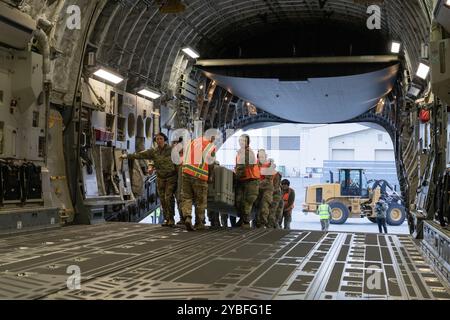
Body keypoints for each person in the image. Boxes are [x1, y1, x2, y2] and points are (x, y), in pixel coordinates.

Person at [122, 133, 177, 227]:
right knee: (162, 199)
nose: (159, 140)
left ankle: (171, 219)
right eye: (157, 139)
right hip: (160, 178)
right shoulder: (154, 151)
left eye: (161, 138)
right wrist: (126, 156)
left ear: (165, 139)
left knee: (168, 198)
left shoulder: (171, 150)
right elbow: (140, 155)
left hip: (170, 177)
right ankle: (167, 219)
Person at [181, 135, 216, 231]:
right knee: (200, 201)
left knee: (187, 197)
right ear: (212, 138)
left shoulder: (192, 142)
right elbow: (211, 163)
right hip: (199, 175)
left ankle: (187, 217)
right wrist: (211, 176)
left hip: (186, 172)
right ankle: (199, 223)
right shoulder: (210, 146)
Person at [235, 134, 260, 229]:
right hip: (243, 180)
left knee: (247, 201)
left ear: (247, 142)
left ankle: (245, 222)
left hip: (251, 180)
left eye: (243, 141)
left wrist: (236, 177)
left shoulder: (248, 153)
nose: (241, 142)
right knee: (238, 201)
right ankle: (242, 219)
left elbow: (242, 167)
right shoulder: (240, 152)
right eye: (240, 140)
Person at [255, 150, 274, 228]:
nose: (261, 158)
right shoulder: (254, 165)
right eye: (259, 156)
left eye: (262, 156)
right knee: (256, 205)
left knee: (264, 205)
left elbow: (268, 180)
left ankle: (263, 223)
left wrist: (257, 184)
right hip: (257, 188)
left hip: (267, 188)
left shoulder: (268, 165)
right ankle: (256, 222)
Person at [268, 159, 282, 229]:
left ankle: (272, 228)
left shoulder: (276, 174)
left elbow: (275, 187)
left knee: (272, 212)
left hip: (274, 194)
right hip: (270, 194)